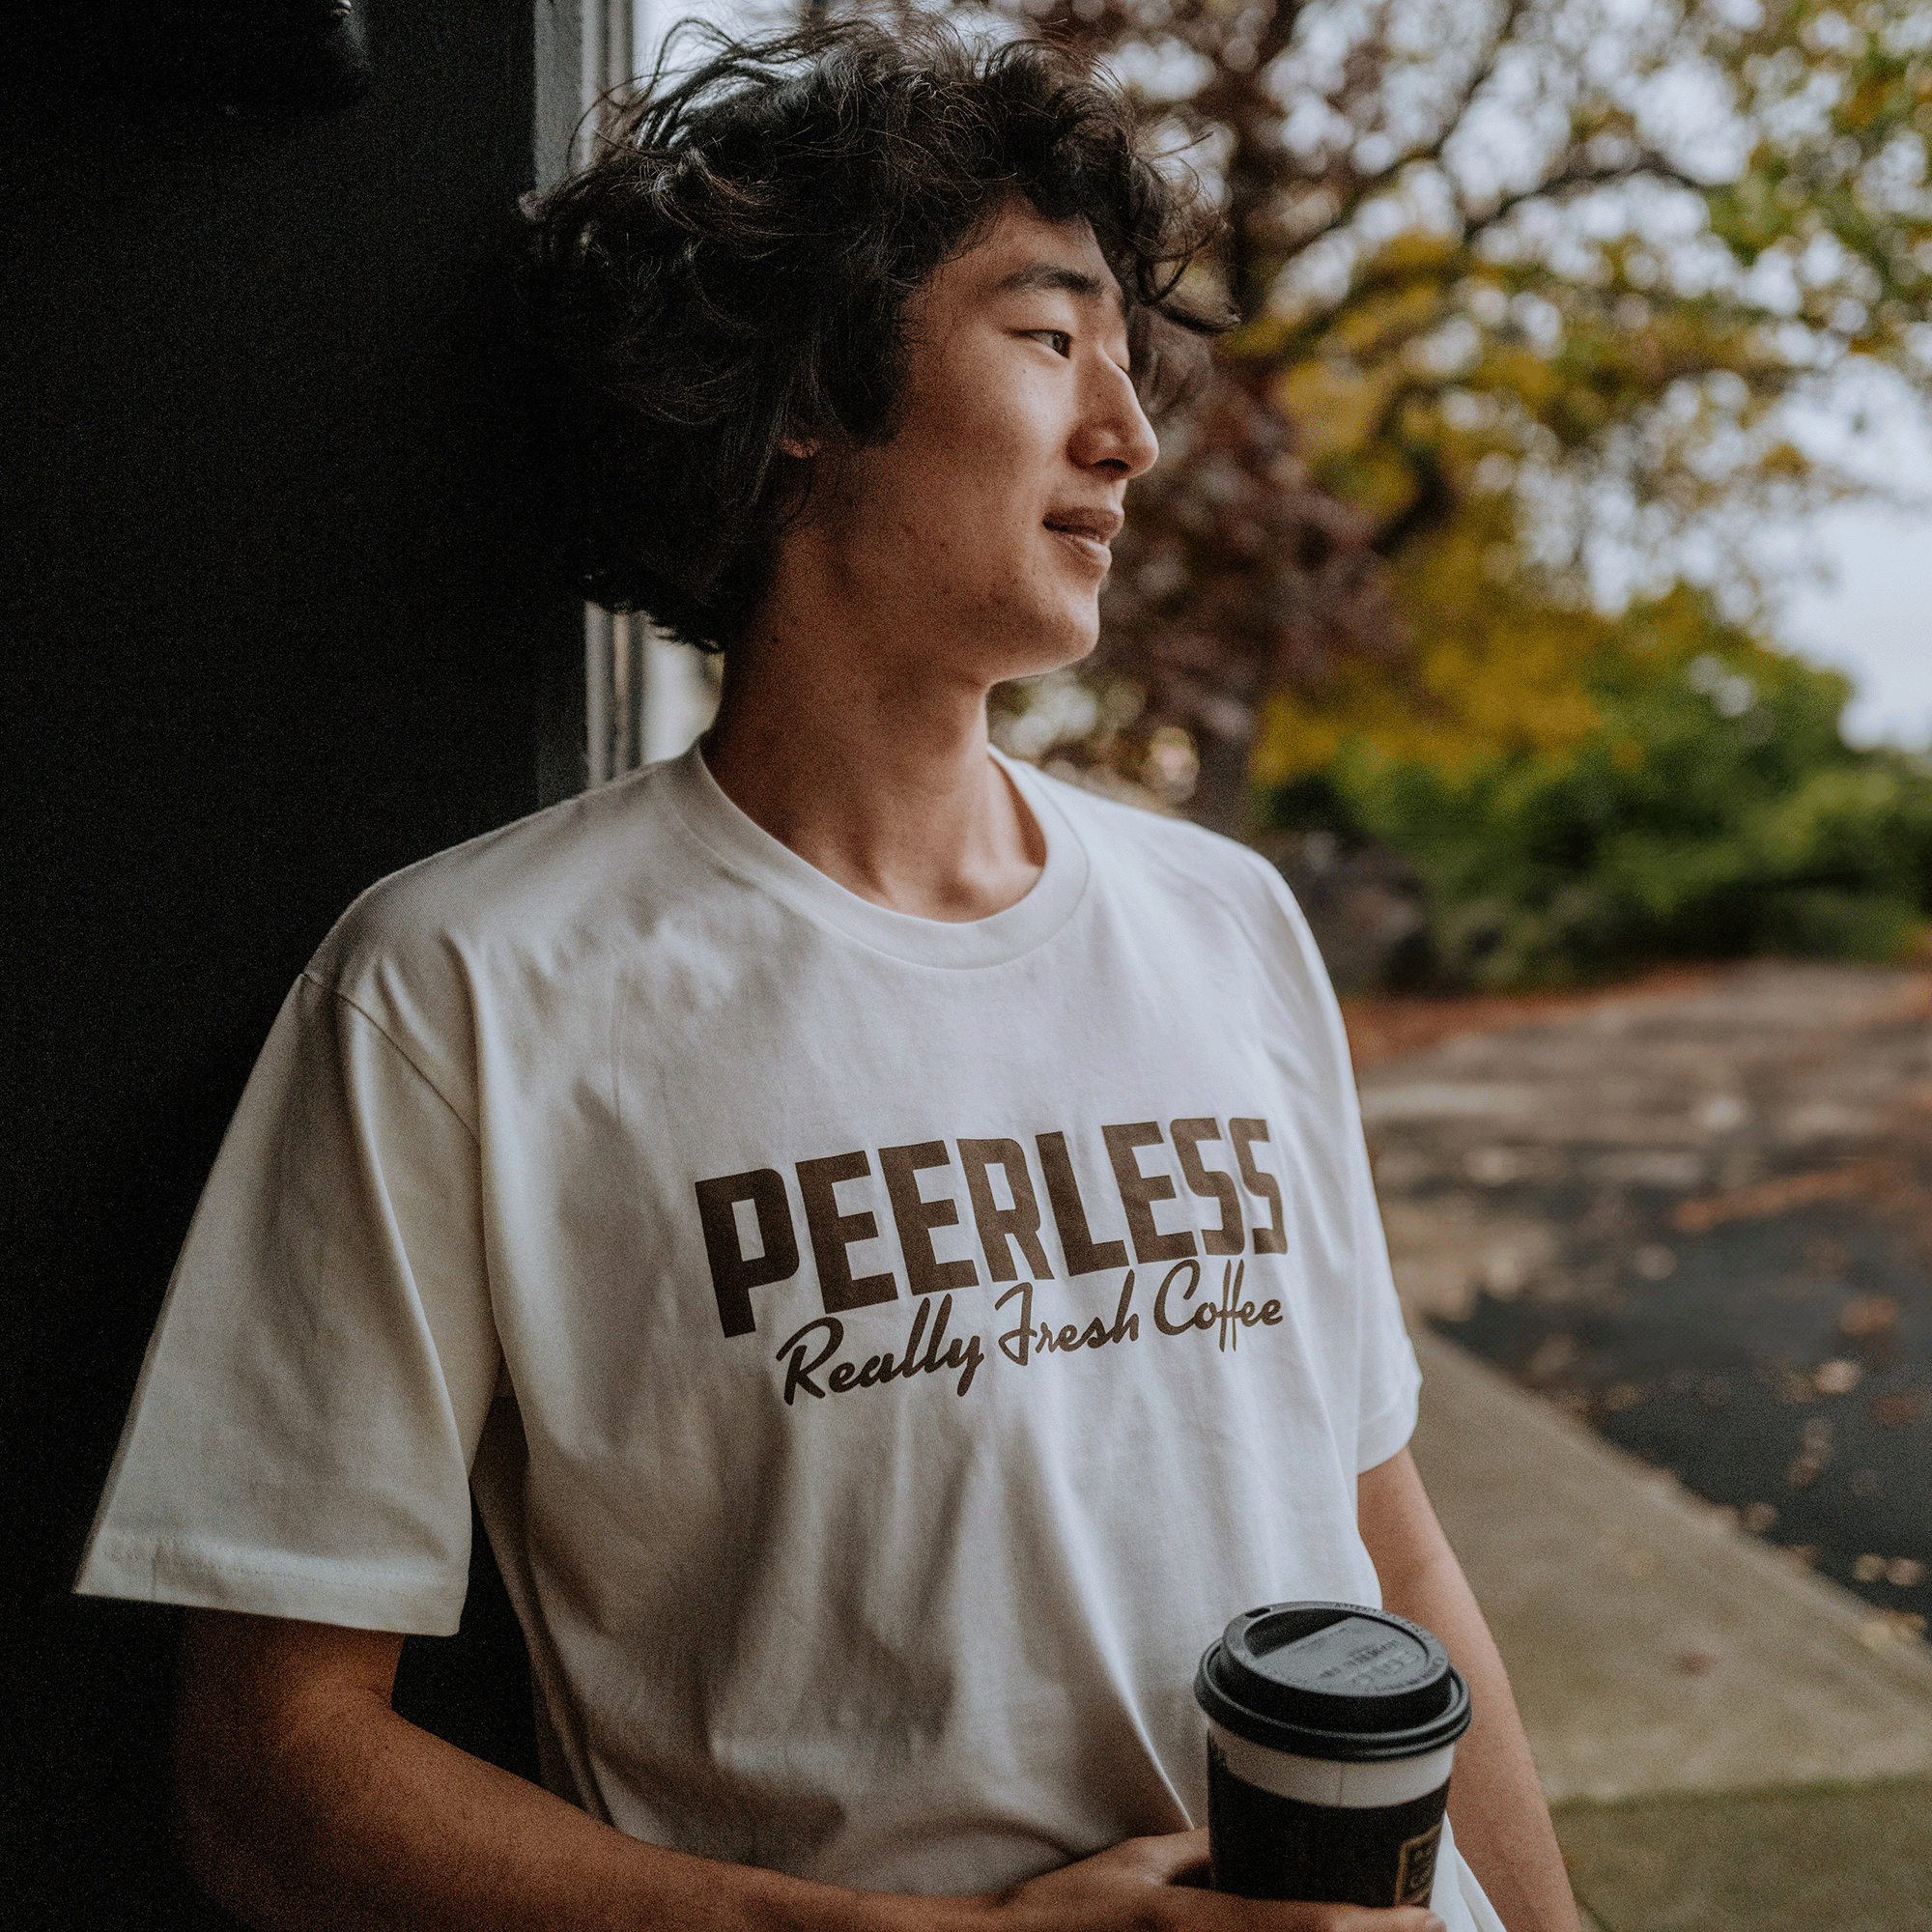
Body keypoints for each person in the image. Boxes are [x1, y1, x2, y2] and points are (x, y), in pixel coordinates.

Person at [76, 21, 1581, 1932]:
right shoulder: (462, 991)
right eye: (1048, 338)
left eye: (1126, 354)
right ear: (804, 394)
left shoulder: (1227, 922)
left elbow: (1390, 1557)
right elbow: (268, 1774)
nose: (1126, 425)